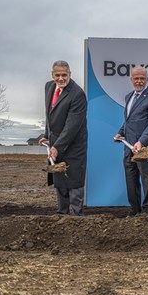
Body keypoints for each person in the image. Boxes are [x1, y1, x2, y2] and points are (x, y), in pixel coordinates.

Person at [39, 60, 87, 216]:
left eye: (64, 75)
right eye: (57, 75)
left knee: (74, 182)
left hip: (73, 146)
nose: (61, 78)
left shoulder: (77, 94)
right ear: (52, 75)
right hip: (57, 144)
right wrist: (47, 136)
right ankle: (62, 216)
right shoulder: (49, 87)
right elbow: (49, 116)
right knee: (59, 180)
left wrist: (57, 146)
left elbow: (72, 126)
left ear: (70, 74)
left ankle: (77, 219)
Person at [114, 66, 148, 216]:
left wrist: (141, 142)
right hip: (129, 148)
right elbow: (129, 121)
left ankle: (147, 214)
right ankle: (134, 212)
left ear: (147, 80)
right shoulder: (129, 96)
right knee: (131, 182)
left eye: (142, 78)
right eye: (136, 78)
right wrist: (120, 133)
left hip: (146, 150)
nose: (139, 81)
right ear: (131, 79)